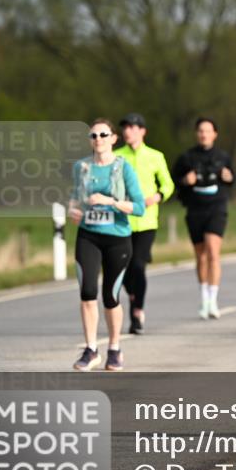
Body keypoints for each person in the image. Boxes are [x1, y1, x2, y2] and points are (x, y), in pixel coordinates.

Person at [68, 118, 146, 371]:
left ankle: (114, 348)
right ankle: (91, 349)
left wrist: (111, 202)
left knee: (110, 296)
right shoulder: (81, 167)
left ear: (113, 139)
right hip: (88, 235)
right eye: (93, 136)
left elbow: (139, 207)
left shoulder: (124, 169)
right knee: (87, 291)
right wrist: (73, 210)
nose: (98, 139)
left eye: (103, 134)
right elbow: (74, 199)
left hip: (117, 238)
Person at [115, 112, 175, 335]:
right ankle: (133, 294)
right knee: (121, 269)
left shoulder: (155, 156)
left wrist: (158, 196)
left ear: (142, 131)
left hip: (147, 221)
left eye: (132, 127)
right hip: (121, 222)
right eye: (125, 127)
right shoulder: (116, 156)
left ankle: (137, 311)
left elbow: (168, 185)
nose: (127, 131)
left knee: (138, 265)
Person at [172, 117, 235, 320]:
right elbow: (174, 182)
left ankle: (214, 300)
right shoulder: (187, 157)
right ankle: (204, 298)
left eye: (208, 131)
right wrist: (185, 180)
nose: (204, 134)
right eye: (200, 131)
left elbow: (233, 178)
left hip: (216, 208)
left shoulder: (223, 157)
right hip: (195, 209)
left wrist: (229, 177)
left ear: (215, 134)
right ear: (196, 134)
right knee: (201, 256)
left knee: (213, 252)